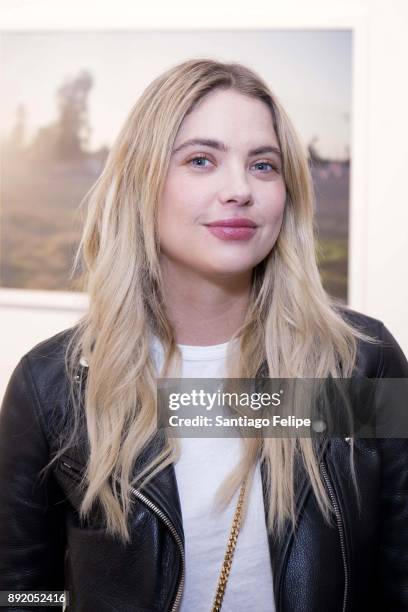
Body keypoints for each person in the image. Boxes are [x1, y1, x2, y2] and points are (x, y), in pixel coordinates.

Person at [0, 58, 407, 612]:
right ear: (142, 182)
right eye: (200, 160)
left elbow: (399, 575)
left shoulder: (358, 363)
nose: (239, 189)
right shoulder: (53, 384)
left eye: (264, 165)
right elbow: (22, 591)